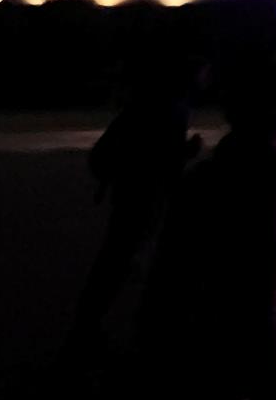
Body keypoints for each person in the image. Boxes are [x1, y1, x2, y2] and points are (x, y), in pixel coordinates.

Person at [135, 65, 276, 400]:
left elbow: (164, 280)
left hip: (178, 362)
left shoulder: (203, 178)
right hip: (229, 373)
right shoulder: (275, 193)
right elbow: (268, 307)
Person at [68, 52, 204, 352]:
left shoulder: (148, 103)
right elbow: (161, 159)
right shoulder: (173, 108)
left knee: (116, 259)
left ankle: (89, 324)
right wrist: (188, 153)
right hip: (146, 195)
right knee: (122, 260)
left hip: (130, 192)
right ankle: (98, 328)